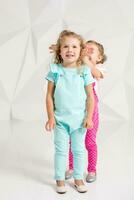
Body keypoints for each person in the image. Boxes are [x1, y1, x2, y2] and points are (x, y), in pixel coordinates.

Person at [45, 30, 95, 194]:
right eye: (65, 46)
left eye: (74, 46)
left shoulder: (84, 71)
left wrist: (88, 117)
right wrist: (51, 117)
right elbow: (49, 96)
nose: (70, 50)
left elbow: (90, 97)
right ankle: (60, 179)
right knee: (60, 150)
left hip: (79, 121)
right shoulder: (55, 70)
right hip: (60, 120)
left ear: (81, 50)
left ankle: (78, 177)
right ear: (59, 50)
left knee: (78, 150)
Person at [65, 40, 107, 183]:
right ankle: (71, 167)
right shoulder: (78, 66)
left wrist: (84, 57)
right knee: (73, 140)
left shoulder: (99, 69)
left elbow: (94, 72)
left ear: (99, 58)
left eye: (92, 50)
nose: (87, 50)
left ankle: (92, 170)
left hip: (91, 109)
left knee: (90, 142)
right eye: (86, 48)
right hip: (76, 108)